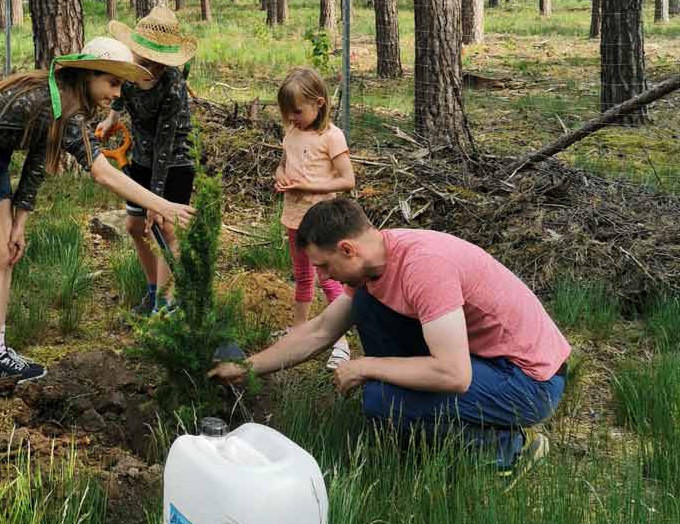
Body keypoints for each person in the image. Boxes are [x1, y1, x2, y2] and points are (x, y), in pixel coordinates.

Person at [210, 198, 569, 474]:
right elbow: (320, 330)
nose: (324, 275)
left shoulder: (423, 268)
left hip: (529, 382)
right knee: (366, 305)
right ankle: (410, 429)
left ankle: (511, 447)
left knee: (381, 398)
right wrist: (246, 367)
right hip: (488, 361)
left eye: (324, 264)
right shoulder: (378, 263)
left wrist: (368, 367)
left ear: (348, 249)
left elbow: (455, 375)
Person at [0, 36, 195, 390]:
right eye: (113, 83)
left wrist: (20, 221)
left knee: (6, 255)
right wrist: (161, 203)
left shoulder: (62, 99)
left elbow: (38, 162)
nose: (118, 94)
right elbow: (102, 171)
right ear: (90, 74)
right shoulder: (58, 104)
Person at [93, 6, 197, 315]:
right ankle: (153, 292)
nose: (149, 64)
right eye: (143, 57)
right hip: (140, 156)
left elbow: (165, 146)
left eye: (156, 61)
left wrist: (156, 201)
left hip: (174, 162)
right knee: (135, 226)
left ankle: (166, 304)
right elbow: (121, 97)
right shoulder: (127, 73)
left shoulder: (173, 86)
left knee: (166, 229)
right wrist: (112, 118)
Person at [274, 66, 355, 366]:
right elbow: (282, 165)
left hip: (320, 221)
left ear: (318, 103)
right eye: (287, 113)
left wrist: (310, 185)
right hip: (294, 217)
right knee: (302, 275)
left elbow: (347, 180)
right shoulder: (292, 132)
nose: (291, 118)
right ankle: (299, 330)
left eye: (296, 111)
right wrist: (281, 176)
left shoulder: (332, 137)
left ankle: (340, 340)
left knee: (328, 277)